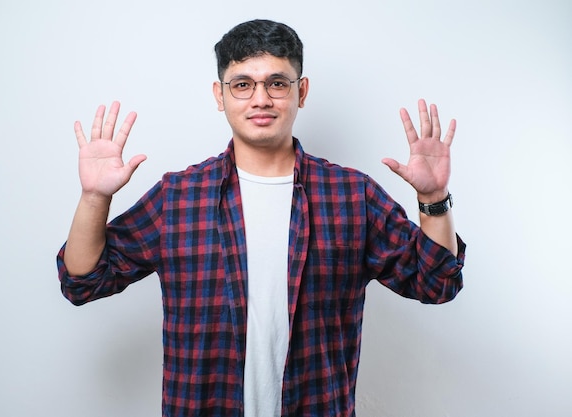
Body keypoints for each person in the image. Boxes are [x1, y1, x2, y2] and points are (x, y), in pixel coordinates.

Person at [57, 19, 465, 417]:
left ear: (301, 91)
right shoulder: (178, 197)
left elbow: (436, 282)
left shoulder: (350, 195)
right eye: (242, 85)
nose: (260, 99)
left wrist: (433, 198)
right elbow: (83, 282)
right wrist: (94, 197)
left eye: (277, 83)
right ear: (220, 95)